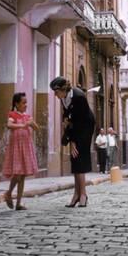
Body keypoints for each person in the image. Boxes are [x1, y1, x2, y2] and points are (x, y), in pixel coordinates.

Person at [50, 76, 95, 207]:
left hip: (85, 128)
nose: (55, 95)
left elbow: (80, 121)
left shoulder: (78, 96)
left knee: (79, 158)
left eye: (56, 92)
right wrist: (66, 122)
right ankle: (76, 194)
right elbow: (68, 115)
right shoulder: (64, 97)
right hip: (75, 127)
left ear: (63, 89)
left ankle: (83, 194)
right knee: (75, 160)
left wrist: (73, 141)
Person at [2, 92, 39, 211]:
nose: (26, 105)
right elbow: (9, 125)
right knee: (17, 174)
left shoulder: (27, 116)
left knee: (22, 176)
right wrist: (23, 124)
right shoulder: (12, 114)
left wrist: (32, 123)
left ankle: (18, 202)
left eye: (26, 102)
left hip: (26, 146)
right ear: (16, 104)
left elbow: (37, 128)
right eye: (23, 103)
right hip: (17, 146)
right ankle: (8, 193)